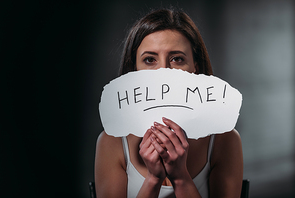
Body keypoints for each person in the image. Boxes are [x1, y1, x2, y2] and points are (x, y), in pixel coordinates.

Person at [95, 8, 243, 198]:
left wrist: (180, 177)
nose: (163, 72)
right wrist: (153, 179)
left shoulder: (224, 139)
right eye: (150, 60)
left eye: (177, 59)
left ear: (195, 68)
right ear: (134, 69)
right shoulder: (112, 142)